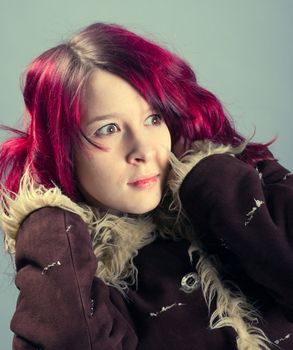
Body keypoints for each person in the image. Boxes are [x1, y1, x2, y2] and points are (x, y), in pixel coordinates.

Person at [0, 22, 292, 350]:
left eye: (153, 119)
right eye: (108, 129)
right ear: (62, 148)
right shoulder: (72, 269)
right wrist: (46, 224)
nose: (143, 150)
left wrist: (208, 178)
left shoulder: (243, 185)